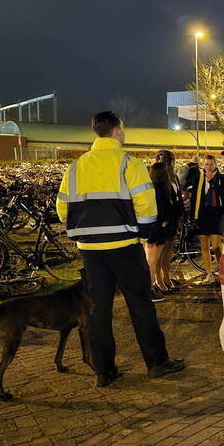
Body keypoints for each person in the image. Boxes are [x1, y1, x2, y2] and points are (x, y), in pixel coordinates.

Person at [56, 111, 184, 388]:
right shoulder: (129, 163)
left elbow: (62, 206)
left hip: (90, 250)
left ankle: (104, 371)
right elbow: (146, 206)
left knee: (99, 310)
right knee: (140, 305)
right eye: (122, 128)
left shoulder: (77, 167)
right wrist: (144, 234)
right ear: (116, 131)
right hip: (125, 247)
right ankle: (156, 363)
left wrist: (81, 233)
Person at [146, 161, 183, 299]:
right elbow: (163, 209)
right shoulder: (160, 189)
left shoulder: (153, 188)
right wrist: (164, 222)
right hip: (159, 230)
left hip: (155, 229)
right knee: (152, 261)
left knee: (153, 260)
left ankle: (154, 285)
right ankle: (150, 289)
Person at [191, 154, 224, 284]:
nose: (209, 167)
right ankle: (209, 273)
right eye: (206, 164)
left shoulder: (221, 178)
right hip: (202, 214)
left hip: (216, 214)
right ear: (203, 165)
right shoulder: (198, 178)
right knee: (204, 247)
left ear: (215, 165)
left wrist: (213, 182)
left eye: (211, 164)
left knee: (216, 246)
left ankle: (222, 271)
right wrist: (193, 217)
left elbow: (223, 194)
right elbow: (195, 197)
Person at [154, 150, 183, 291]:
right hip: (164, 220)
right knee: (160, 252)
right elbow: (160, 201)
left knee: (168, 251)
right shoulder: (159, 178)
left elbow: (177, 196)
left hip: (173, 218)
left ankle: (166, 276)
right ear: (170, 162)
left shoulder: (174, 178)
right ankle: (158, 280)